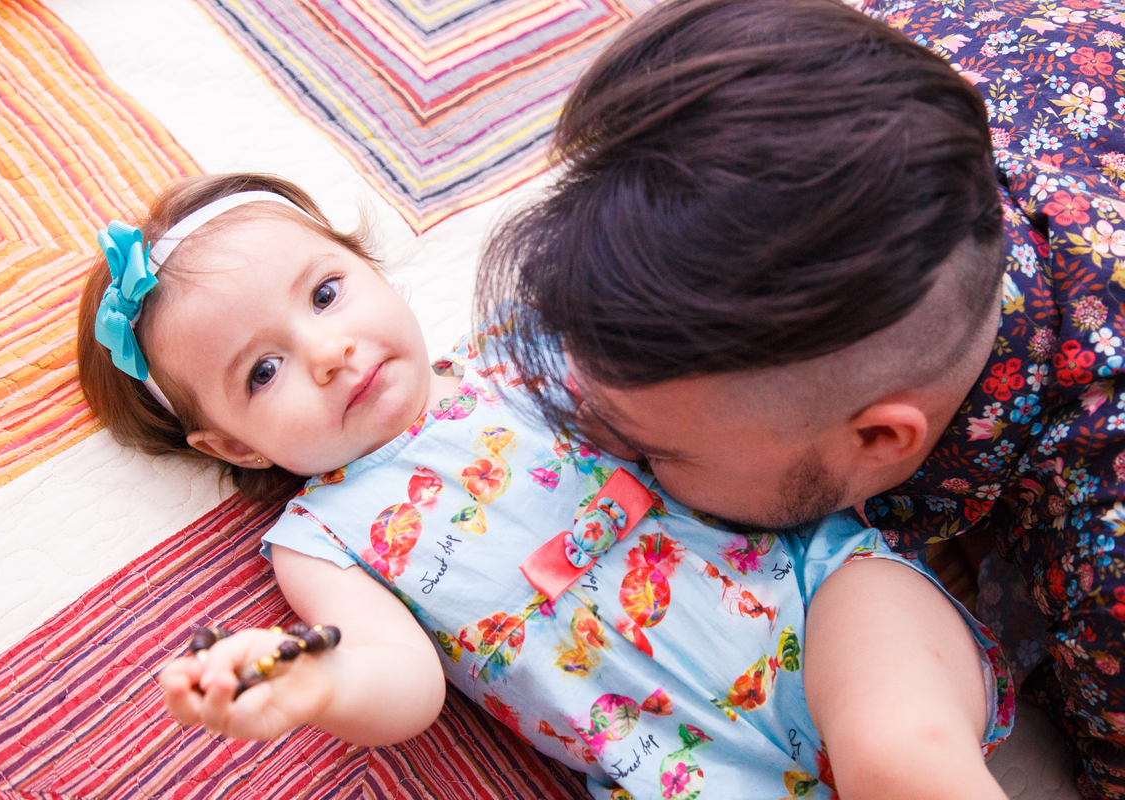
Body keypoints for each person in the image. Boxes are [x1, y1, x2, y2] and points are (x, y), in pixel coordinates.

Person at [76, 173, 1013, 799]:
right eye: (262, 373)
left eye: (325, 294)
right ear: (232, 447)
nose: (328, 354)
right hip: (677, 771)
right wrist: (312, 686)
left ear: (368, 267)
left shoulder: (524, 348)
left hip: (822, 601)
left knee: (901, 751)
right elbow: (402, 688)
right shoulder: (320, 538)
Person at [474, 0, 1125, 796]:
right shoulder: (842, 75)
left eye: (656, 451)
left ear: (883, 439)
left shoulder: (1107, 562)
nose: (599, 444)